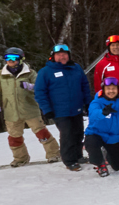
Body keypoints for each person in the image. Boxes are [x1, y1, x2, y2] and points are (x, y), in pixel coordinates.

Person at [0, 47, 61, 167]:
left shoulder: (30, 73)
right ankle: (20, 158)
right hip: (11, 111)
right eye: (7, 58)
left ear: (21, 59)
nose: (10, 60)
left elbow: (41, 88)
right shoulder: (1, 75)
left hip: (30, 109)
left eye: (14, 58)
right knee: (14, 137)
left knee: (41, 133)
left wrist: (29, 86)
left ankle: (54, 153)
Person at [33, 43, 90, 171]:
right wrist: (46, 109)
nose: (62, 56)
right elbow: (40, 92)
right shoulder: (45, 72)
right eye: (59, 54)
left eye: (64, 54)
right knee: (67, 135)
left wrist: (88, 102)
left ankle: (78, 155)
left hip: (76, 108)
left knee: (78, 133)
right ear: (53, 56)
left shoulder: (76, 68)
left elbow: (85, 86)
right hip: (60, 111)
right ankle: (69, 160)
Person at [84, 76, 119, 176]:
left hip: (113, 138)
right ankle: (100, 164)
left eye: (114, 89)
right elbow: (93, 115)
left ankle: (108, 155)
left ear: (118, 89)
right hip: (96, 134)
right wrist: (103, 112)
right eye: (108, 89)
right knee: (91, 142)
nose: (111, 91)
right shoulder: (96, 102)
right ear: (103, 89)